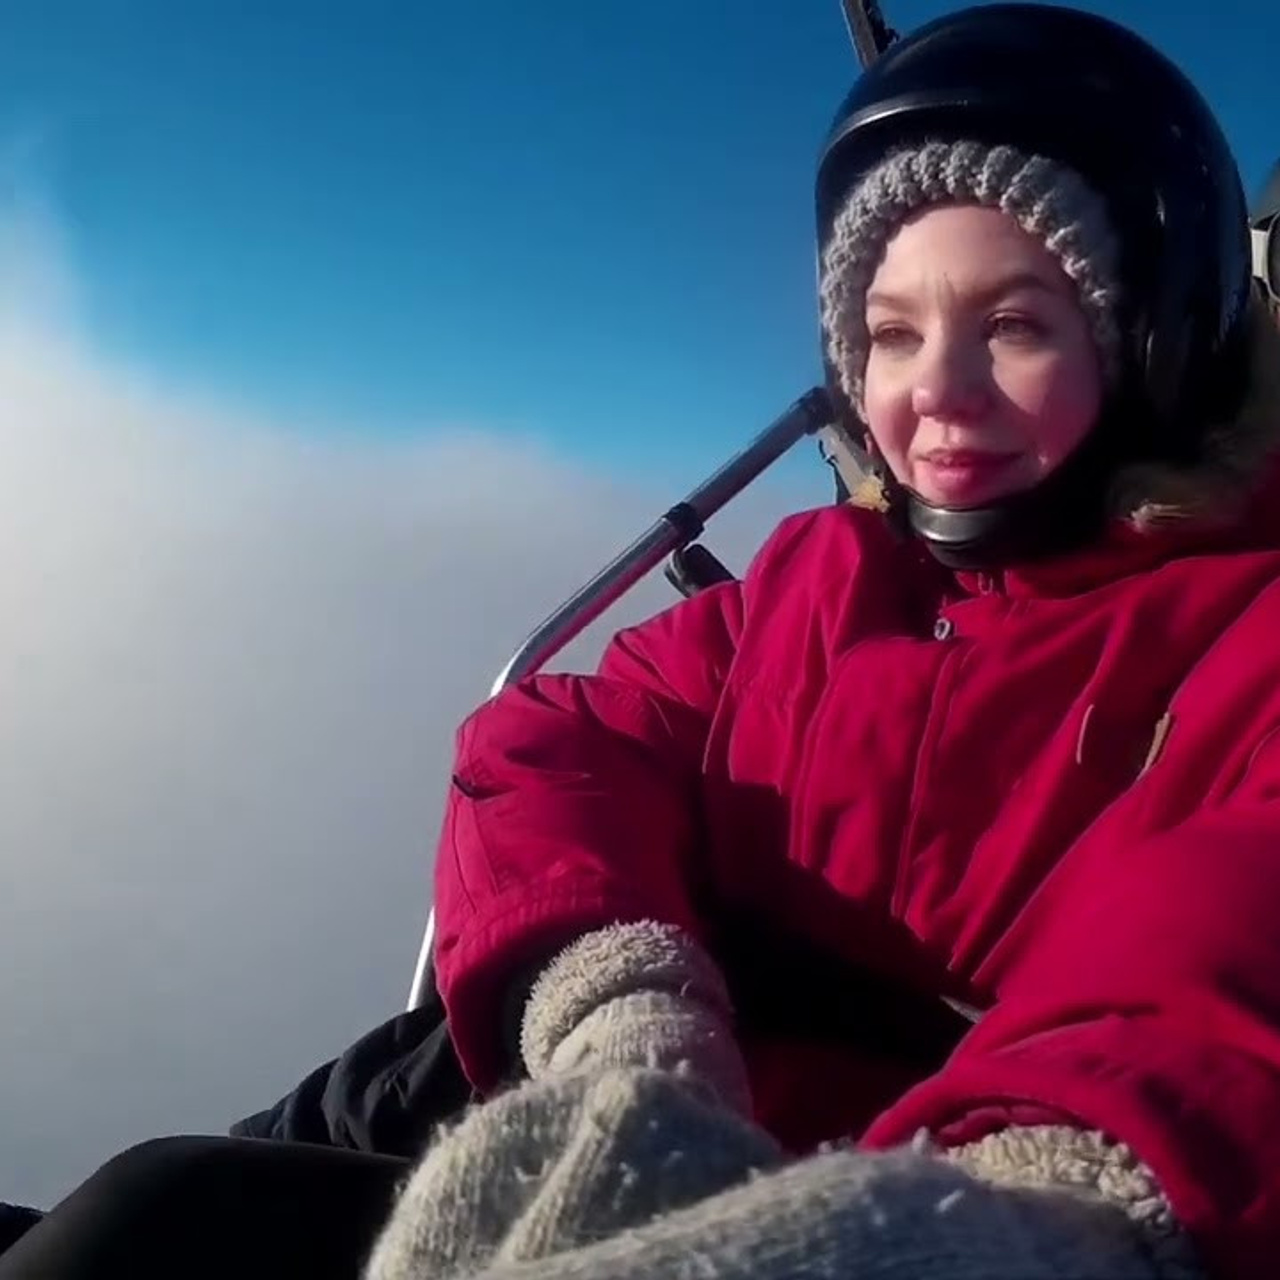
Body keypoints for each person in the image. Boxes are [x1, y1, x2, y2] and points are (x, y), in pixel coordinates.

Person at [364, 6, 1280, 1280]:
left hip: (953, 1201)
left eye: (1012, 326)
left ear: (1148, 353)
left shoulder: (1244, 640)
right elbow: (558, 738)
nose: (934, 391)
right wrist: (623, 1022)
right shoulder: (821, 577)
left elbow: (1224, 967)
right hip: (639, 1084)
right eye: (892, 334)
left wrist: (1037, 1218)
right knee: (152, 1206)